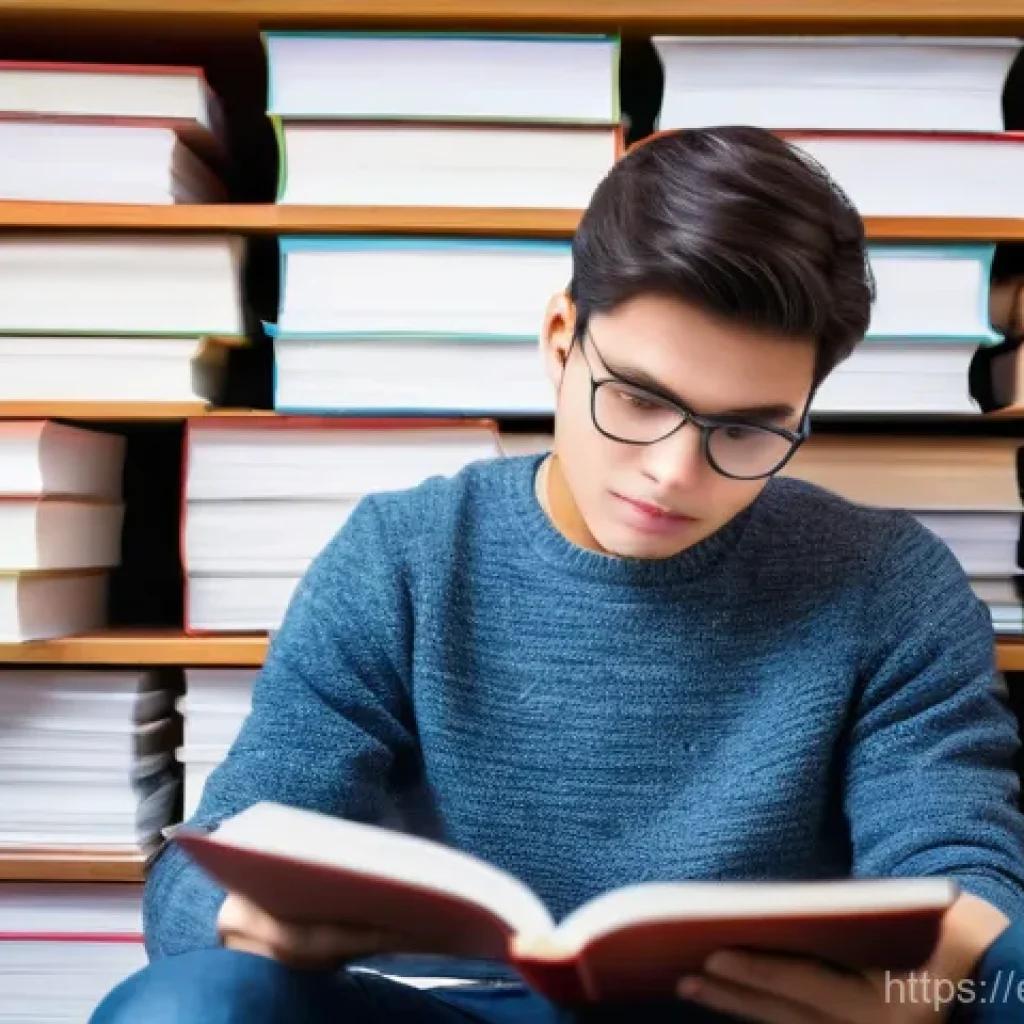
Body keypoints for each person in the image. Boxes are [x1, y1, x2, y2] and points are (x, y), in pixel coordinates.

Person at [92, 127, 1024, 1024]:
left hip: (759, 1015)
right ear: (559, 338)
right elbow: (202, 874)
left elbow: (967, 874)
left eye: (746, 430)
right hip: (453, 1008)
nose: (673, 472)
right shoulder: (407, 555)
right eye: (639, 398)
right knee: (189, 1005)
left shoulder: (889, 584)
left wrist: (919, 1002)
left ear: (804, 413)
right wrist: (239, 914)